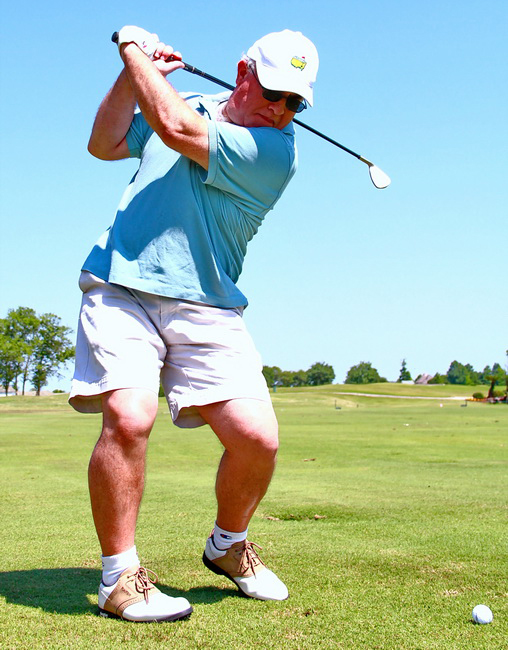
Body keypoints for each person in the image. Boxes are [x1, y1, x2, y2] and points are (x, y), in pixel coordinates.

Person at [69, 25, 319, 622]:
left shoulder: (274, 153)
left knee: (257, 440)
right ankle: (119, 578)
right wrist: (134, 74)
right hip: (122, 283)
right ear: (243, 73)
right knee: (130, 416)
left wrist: (133, 50)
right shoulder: (187, 104)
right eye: (274, 92)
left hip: (207, 302)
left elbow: (176, 128)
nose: (281, 109)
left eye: (295, 103)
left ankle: (228, 544)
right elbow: (104, 143)